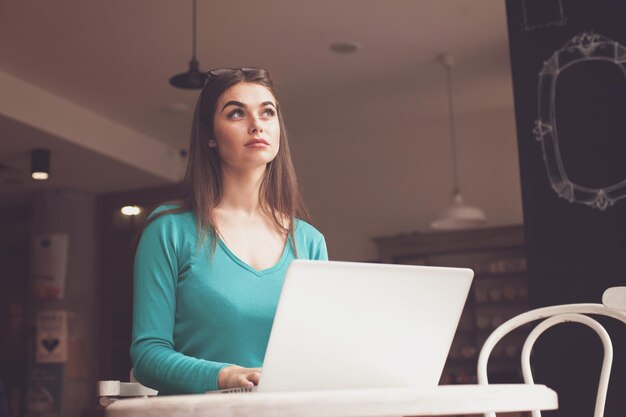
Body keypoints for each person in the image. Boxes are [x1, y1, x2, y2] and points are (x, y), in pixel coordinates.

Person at [130, 68, 328, 395]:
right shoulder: (169, 229)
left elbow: (320, 355)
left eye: (268, 112)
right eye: (237, 113)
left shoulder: (309, 241)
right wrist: (225, 375)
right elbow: (148, 356)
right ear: (210, 134)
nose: (257, 124)